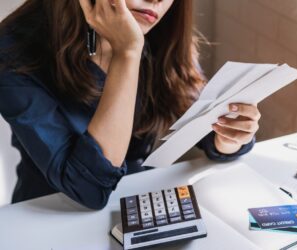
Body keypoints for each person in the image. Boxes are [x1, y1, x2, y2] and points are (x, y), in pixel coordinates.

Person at [0, 0, 260, 210]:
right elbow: (88, 190)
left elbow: (204, 128)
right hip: (47, 215)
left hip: (138, 206)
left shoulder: (160, 32)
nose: (157, 0)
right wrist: (127, 53)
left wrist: (229, 137)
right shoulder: (14, 50)